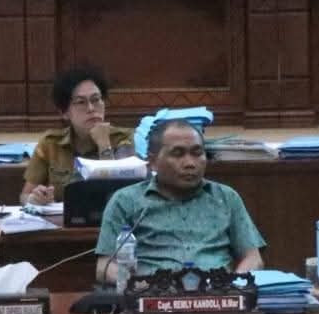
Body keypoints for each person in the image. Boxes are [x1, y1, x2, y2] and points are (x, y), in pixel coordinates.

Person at [94, 119, 264, 283]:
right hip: (153, 293)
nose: (190, 163)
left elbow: (253, 258)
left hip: (217, 293)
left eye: (197, 153)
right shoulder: (125, 201)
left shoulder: (226, 197)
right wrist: (137, 285)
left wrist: (234, 285)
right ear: (152, 162)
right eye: (178, 154)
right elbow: (104, 267)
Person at [22, 63, 135, 206]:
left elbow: (120, 193)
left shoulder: (123, 138)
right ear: (64, 113)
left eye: (96, 99)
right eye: (81, 102)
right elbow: (24, 195)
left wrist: (104, 145)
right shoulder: (50, 143)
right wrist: (34, 199)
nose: (91, 108)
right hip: (62, 218)